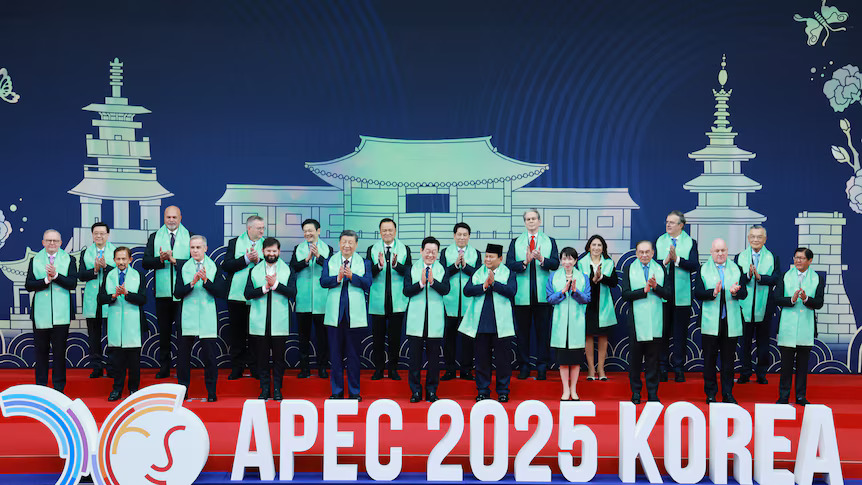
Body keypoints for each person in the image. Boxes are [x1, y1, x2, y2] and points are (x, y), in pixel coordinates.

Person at [506, 209, 559, 380]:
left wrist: (542, 259)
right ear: (524, 222)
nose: (531, 221)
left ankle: (542, 367)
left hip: (543, 295)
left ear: (539, 221)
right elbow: (509, 264)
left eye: (534, 218)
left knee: (543, 333)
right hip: (521, 295)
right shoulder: (516, 242)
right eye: (528, 219)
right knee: (522, 333)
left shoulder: (550, 241)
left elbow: (555, 263)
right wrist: (525, 261)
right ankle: (524, 366)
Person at [460, 243, 517, 402]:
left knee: (503, 361)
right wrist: (484, 286)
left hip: (502, 325)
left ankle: (503, 391)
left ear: (500, 258)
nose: (487, 259)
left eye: (491, 257)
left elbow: (512, 291)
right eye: (486, 256)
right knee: (481, 360)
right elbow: (467, 291)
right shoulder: (478, 272)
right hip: (481, 323)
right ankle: (483, 391)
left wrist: (494, 284)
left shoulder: (509, 273)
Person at [693, 238, 748, 404]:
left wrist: (735, 292)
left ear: (727, 251)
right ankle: (710, 393)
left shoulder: (737, 269)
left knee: (728, 361)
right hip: (710, 321)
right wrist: (713, 292)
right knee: (709, 360)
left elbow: (744, 293)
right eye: (717, 251)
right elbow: (698, 293)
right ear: (711, 252)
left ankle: (727, 393)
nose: (720, 253)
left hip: (730, 321)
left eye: (723, 250)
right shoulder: (703, 269)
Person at [142, 205, 194, 379]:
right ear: (163, 218)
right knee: (164, 333)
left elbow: (195, 262)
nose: (171, 220)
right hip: (162, 294)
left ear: (180, 218)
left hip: (183, 294)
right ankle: (164, 367)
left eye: (174, 217)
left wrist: (174, 261)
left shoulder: (190, 236)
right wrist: (161, 259)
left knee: (183, 333)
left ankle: (183, 368)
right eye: (168, 217)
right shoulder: (155, 237)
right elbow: (145, 263)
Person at [321, 230, 373, 400]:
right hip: (334, 315)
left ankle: (354, 391)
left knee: (354, 356)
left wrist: (352, 277)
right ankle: (336, 391)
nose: (347, 245)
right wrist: (337, 278)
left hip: (354, 316)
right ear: (339, 243)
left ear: (356, 245)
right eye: (344, 242)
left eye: (350, 242)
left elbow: (368, 283)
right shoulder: (329, 261)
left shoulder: (364, 262)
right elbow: (323, 282)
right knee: (335, 356)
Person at [25, 229, 78, 393]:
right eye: (48, 240)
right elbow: (29, 285)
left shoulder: (70, 259)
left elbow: (72, 284)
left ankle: (59, 388)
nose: (52, 243)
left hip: (62, 314)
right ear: (43, 243)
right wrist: (46, 280)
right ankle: (41, 387)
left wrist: (56, 276)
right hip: (40, 314)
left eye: (55, 240)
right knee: (41, 351)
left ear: (61, 243)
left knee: (59, 352)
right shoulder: (34, 260)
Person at [174, 235, 225, 402]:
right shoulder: (183, 267)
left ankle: (211, 392)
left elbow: (221, 292)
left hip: (207, 316)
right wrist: (191, 283)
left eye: (198, 247)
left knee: (210, 357)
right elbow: (177, 293)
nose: (195, 251)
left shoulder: (214, 266)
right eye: (192, 248)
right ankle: (183, 392)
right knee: (183, 357)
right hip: (187, 316)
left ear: (205, 248)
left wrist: (205, 281)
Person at [245, 237, 297, 401]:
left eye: (274, 251)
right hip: (259, 321)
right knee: (261, 359)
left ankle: (277, 389)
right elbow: (247, 294)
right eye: (268, 251)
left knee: (279, 359)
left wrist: (275, 285)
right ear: (263, 252)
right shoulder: (254, 271)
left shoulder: (288, 270)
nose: (271, 254)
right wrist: (264, 288)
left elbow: (293, 293)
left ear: (279, 251)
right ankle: (265, 389)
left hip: (280, 321)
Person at [621, 241, 670, 404]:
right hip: (636, 322)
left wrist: (656, 287)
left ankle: (652, 393)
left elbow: (668, 294)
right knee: (635, 360)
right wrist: (643, 291)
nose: (644, 255)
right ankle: (636, 392)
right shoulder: (629, 268)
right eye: (641, 252)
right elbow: (625, 294)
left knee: (652, 360)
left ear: (653, 253)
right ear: (636, 253)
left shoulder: (660, 269)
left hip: (655, 320)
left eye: (647, 252)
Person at [775, 248, 825, 406]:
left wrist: (806, 298)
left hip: (806, 327)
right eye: (796, 257)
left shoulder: (817, 278)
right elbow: (776, 299)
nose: (798, 261)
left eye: (802, 258)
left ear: (810, 261)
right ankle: (783, 396)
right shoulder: (785, 276)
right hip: (787, 327)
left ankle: (800, 396)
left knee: (802, 367)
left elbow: (819, 303)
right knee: (786, 366)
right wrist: (792, 299)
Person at [403, 237, 450, 403]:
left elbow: (446, 289)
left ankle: (431, 391)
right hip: (416, 319)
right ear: (421, 251)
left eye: (434, 252)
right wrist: (421, 284)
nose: (430, 255)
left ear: (437, 253)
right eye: (427, 251)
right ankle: (415, 391)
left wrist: (432, 282)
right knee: (414, 359)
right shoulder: (411, 269)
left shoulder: (443, 269)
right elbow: (406, 291)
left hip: (435, 319)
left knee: (434, 360)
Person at [655, 210, 699, 383]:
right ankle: (662, 368)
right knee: (662, 333)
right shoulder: (660, 241)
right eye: (667, 221)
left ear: (681, 225)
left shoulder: (691, 242)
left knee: (680, 334)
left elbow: (694, 265)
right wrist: (665, 261)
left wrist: (677, 259)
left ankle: (679, 368)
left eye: (672, 222)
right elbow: (652, 265)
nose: (668, 225)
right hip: (662, 294)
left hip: (682, 296)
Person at [98, 247, 146, 401]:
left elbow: (143, 299)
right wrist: (113, 296)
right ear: (114, 260)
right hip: (115, 323)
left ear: (130, 260)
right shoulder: (109, 275)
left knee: (134, 361)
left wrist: (127, 294)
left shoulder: (138, 275)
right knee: (117, 361)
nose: (121, 262)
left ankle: (133, 389)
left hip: (133, 324)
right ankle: (117, 389)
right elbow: (100, 299)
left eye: (124, 259)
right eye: (118, 259)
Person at [734, 225, 780, 385]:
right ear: (748, 238)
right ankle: (745, 373)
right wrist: (748, 275)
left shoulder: (773, 257)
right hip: (744, 306)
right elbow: (737, 279)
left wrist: (760, 277)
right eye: (753, 236)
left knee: (763, 342)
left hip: (765, 305)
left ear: (765, 239)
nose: (755, 240)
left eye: (759, 237)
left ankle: (762, 374)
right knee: (744, 343)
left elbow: (776, 279)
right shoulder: (740, 257)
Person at [222, 215, 266, 380]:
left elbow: (272, 265)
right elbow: (227, 266)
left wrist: (258, 260)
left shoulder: (267, 243)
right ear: (249, 228)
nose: (262, 231)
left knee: (255, 334)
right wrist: (246, 259)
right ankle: (237, 367)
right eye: (259, 228)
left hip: (257, 296)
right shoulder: (234, 243)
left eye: (263, 228)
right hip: (236, 295)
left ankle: (255, 367)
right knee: (237, 334)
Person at [367, 218, 411, 380]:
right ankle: (378, 369)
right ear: (380, 232)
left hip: (397, 300)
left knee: (395, 338)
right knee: (377, 338)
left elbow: (409, 272)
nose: (387, 233)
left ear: (395, 231)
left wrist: (396, 266)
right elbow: (367, 273)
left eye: (390, 230)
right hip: (378, 300)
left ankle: (393, 369)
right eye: (384, 230)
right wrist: (379, 266)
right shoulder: (372, 249)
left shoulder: (404, 249)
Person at [289, 218, 333, 379]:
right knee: (303, 337)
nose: (308, 233)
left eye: (311, 230)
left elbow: (331, 268)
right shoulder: (298, 248)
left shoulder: (328, 248)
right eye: (305, 231)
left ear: (318, 231)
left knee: (322, 337)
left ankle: (322, 367)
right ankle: (304, 368)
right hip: (303, 299)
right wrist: (306, 260)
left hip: (322, 300)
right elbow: (292, 268)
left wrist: (319, 257)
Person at [547, 247, 591, 401]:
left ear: (575, 260)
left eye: (570, 259)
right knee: (564, 361)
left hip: (576, 323)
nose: (567, 262)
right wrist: (562, 291)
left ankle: (574, 389)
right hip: (560, 323)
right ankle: (565, 389)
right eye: (564, 259)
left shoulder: (583, 277)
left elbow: (587, 299)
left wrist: (575, 291)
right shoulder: (553, 276)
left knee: (576, 361)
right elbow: (550, 299)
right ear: (560, 260)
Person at [439, 222, 480, 381]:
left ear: (469, 237)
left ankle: (466, 370)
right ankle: (449, 369)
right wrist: (455, 266)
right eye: (459, 234)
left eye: (465, 235)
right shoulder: (445, 252)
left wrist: (465, 266)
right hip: (449, 300)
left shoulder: (476, 253)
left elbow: (478, 275)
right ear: (454, 236)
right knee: (449, 337)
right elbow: (441, 274)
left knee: (468, 337)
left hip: (469, 302)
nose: (462, 237)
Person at [577, 235, 618, 381]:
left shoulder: (608, 263)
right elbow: (579, 283)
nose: (596, 248)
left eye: (599, 245)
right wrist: (592, 279)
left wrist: (601, 278)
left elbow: (614, 282)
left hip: (603, 305)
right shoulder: (581, 263)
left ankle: (601, 368)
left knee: (602, 336)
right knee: (588, 336)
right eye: (593, 245)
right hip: (587, 305)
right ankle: (590, 368)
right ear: (589, 247)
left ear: (603, 248)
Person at [78, 222, 116, 379]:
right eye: (96, 233)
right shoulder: (85, 253)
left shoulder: (116, 252)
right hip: (92, 299)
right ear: (92, 235)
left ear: (108, 235)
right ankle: (97, 367)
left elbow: (121, 272)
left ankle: (112, 367)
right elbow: (81, 275)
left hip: (110, 299)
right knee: (94, 336)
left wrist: (105, 267)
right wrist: (94, 270)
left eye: (102, 233)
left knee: (112, 335)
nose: (99, 236)